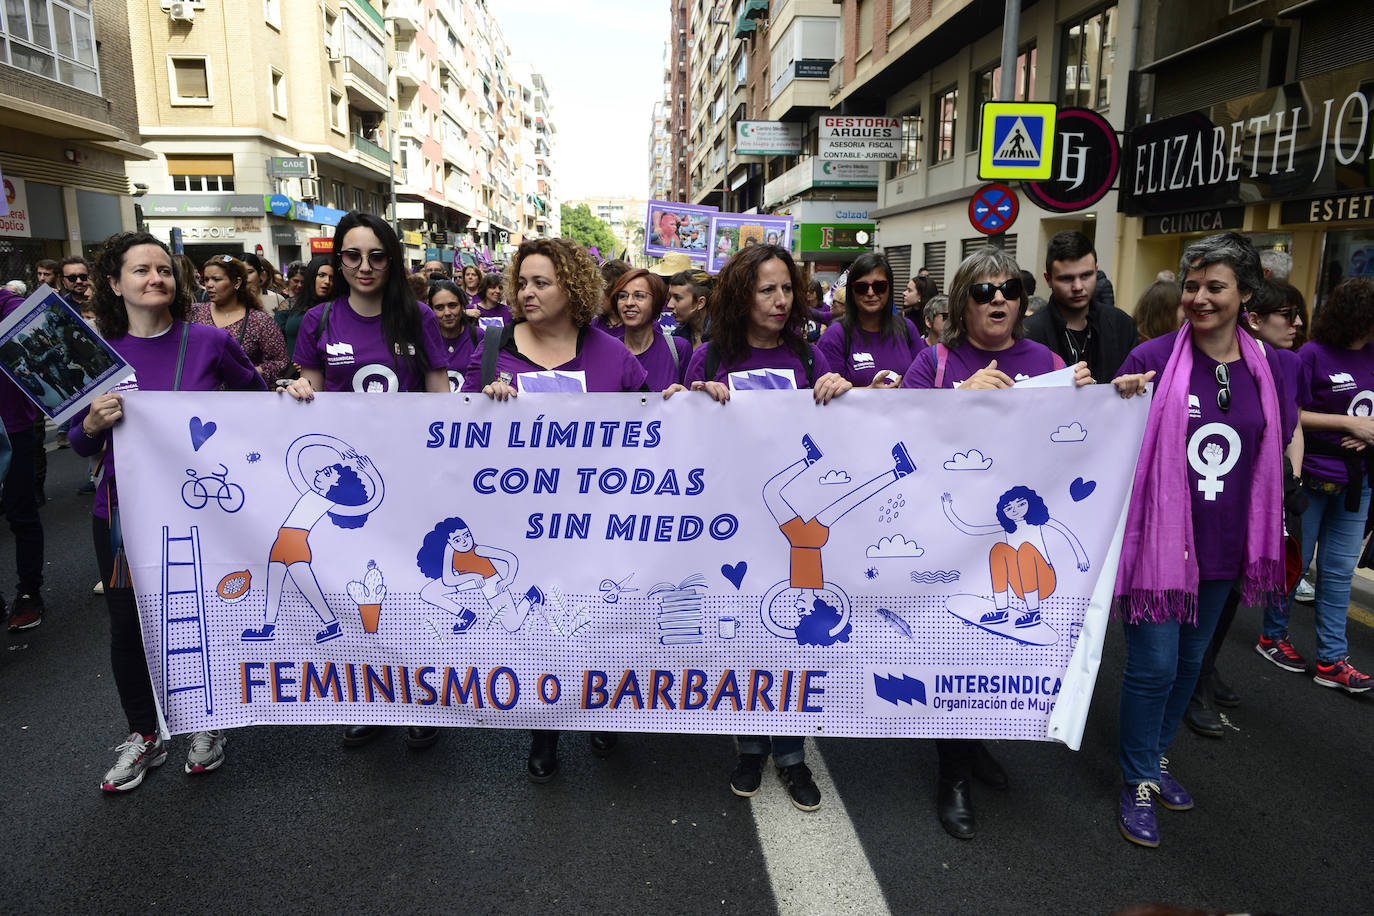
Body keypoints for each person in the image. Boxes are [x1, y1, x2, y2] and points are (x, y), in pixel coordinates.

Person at [68, 230, 273, 791]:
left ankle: (208, 725)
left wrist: (295, 394)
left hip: (200, 516)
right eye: (140, 271)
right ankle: (143, 734)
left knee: (207, 618)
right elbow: (80, 443)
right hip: (120, 518)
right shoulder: (98, 352)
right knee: (128, 628)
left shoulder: (208, 343)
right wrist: (89, 425)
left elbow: (260, 406)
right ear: (115, 284)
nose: (154, 279)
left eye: (163, 270)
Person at [899, 246, 1089, 839]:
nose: (998, 299)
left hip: (1012, 539)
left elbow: (1077, 441)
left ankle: (974, 748)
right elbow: (895, 432)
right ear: (962, 304)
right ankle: (952, 773)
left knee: (998, 652)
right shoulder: (934, 361)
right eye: (983, 292)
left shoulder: (1048, 359)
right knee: (956, 651)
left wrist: (1106, 394)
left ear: (1023, 301)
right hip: (951, 540)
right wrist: (960, 398)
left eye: (1009, 289)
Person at [1110, 231, 1288, 848]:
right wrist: (1115, 400)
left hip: (1225, 544)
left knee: (1191, 662)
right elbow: (1109, 447)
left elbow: (1275, 445)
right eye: (1192, 286)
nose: (1200, 298)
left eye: (1216, 287)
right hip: (1159, 546)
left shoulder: (1274, 367)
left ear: (1245, 295)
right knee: (1154, 665)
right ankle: (1135, 777)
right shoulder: (1149, 359)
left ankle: (1157, 757)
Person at [674, 243, 852, 813]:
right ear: (741, 296)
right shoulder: (710, 355)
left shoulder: (808, 355)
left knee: (794, 640)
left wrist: (839, 391)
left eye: (787, 289)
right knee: (748, 632)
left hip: (793, 522)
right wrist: (695, 396)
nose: (781, 300)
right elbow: (683, 432)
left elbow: (841, 434)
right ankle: (750, 747)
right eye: (766, 289)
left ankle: (792, 756)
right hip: (732, 521)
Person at [462, 237, 648, 782]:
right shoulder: (494, 347)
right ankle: (545, 728)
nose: (527, 292)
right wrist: (484, 406)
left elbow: (654, 422)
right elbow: (454, 430)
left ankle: (602, 706)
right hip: (521, 519)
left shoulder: (611, 354)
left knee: (600, 620)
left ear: (573, 288)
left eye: (541, 282)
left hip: (595, 516)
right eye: (522, 282)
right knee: (542, 625)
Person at [291, 211, 449, 750]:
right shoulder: (318, 321)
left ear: (392, 260)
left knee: (407, 590)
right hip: (348, 491)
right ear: (338, 260)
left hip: (407, 482)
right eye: (353, 256)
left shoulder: (419, 317)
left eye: (376, 256)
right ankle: (373, 699)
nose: (365, 266)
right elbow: (309, 396)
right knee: (360, 592)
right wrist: (295, 394)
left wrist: (442, 468)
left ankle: (422, 698)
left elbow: (439, 397)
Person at [1183, 279, 1306, 737]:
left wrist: (1287, 481)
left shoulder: (1276, 365)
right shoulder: (1169, 358)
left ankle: (1200, 677)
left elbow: (1287, 425)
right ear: (1254, 315)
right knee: (1161, 658)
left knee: (1216, 613)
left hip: (1241, 519)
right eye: (1286, 315)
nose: (1296, 324)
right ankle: (1150, 749)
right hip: (1183, 524)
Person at [1257, 277, 1374, 694]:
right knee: (1295, 562)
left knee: (1340, 573)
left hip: (1357, 480)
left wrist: (1367, 432)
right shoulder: (1311, 354)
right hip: (1313, 476)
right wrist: (1347, 422)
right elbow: (1293, 414)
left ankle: (1332, 660)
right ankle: (1273, 635)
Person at [1026, 231, 1137, 383]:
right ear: (1048, 279)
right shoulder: (1029, 333)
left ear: (1096, 272)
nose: (1077, 286)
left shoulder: (1121, 325)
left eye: (1086, 276)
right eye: (1066, 278)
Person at [816, 252, 926, 388]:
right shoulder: (835, 336)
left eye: (879, 286)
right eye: (861, 287)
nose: (870, 293)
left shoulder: (907, 329)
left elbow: (922, 385)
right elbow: (825, 394)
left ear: (889, 288)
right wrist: (869, 391)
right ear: (851, 291)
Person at [193, 254, 288, 383]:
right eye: (206, 279)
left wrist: (246, 373)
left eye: (216, 279)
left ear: (236, 282)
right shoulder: (195, 313)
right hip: (200, 395)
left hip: (241, 397)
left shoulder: (259, 321)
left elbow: (280, 363)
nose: (209, 284)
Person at [608, 268, 691, 391]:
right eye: (623, 296)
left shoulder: (678, 349)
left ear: (655, 302)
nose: (629, 302)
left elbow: (692, 403)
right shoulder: (608, 351)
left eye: (639, 296)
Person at [275, 255, 334, 377]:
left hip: (324, 374)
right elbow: (275, 341)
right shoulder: (289, 304)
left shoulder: (337, 308)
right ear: (311, 277)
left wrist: (309, 361)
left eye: (331, 278)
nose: (327, 281)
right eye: (321, 275)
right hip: (290, 374)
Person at [429, 279, 479, 391]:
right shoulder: (426, 341)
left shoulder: (479, 337)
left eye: (452, 305)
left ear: (462, 306)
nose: (447, 313)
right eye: (439, 308)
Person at [666, 267, 712, 349]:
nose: (669, 305)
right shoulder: (677, 335)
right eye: (670, 297)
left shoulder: (723, 338)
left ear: (700, 303)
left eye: (677, 298)